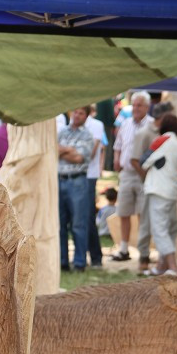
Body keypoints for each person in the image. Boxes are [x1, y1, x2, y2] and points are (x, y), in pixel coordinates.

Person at [130, 100, 174, 274]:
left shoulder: (166, 137)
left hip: (159, 186)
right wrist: (146, 178)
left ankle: (166, 264)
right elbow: (137, 160)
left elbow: (146, 160)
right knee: (150, 224)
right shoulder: (148, 134)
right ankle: (147, 258)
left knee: (160, 225)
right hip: (152, 185)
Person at [110, 91, 152, 261]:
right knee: (124, 212)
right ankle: (124, 249)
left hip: (144, 175)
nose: (135, 108)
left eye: (139, 105)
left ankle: (144, 251)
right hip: (126, 174)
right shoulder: (126, 123)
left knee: (143, 213)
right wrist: (116, 160)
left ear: (147, 107)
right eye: (134, 105)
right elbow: (118, 144)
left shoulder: (151, 125)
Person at [140, 113, 177, 276]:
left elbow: (143, 161)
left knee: (159, 229)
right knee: (170, 229)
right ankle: (162, 266)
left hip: (158, 189)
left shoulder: (162, 140)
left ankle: (172, 266)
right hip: (171, 190)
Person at [57, 106, 94, 271]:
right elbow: (53, 150)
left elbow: (79, 158)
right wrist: (69, 150)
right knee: (60, 223)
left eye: (81, 113)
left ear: (86, 116)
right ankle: (62, 261)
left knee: (78, 224)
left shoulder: (87, 135)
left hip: (77, 182)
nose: (77, 115)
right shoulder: (62, 132)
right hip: (59, 180)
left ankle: (79, 262)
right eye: (75, 112)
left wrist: (62, 151)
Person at [85, 106, 106, 267]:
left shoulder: (96, 125)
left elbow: (89, 153)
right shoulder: (68, 123)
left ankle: (96, 257)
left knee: (89, 217)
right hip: (70, 176)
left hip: (89, 176)